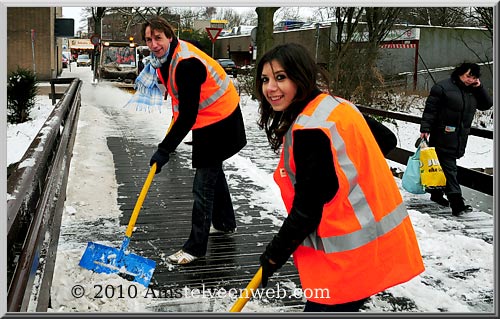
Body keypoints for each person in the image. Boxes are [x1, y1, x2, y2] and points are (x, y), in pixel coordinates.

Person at [255, 43, 424, 312]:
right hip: (371, 245)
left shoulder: (311, 130)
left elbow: (306, 211)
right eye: (265, 79)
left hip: (345, 257)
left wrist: (273, 257)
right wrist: (343, 177)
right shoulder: (336, 106)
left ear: (301, 76)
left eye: (281, 77)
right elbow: (385, 139)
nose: (270, 88)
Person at [126, 16, 246, 265]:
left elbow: (188, 115)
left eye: (158, 37)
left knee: (203, 185)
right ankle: (224, 223)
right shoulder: (167, 58)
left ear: (169, 36)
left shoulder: (186, 64)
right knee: (213, 172)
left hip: (221, 120)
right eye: (149, 39)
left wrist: (164, 150)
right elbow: (183, 100)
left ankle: (195, 248)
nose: (154, 44)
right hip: (211, 117)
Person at [420, 62, 492, 217]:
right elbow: (430, 110)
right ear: (459, 73)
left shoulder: (472, 91)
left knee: (442, 167)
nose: (470, 80)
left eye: (474, 77)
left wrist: (478, 87)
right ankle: (457, 203)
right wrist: (425, 129)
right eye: (468, 76)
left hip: (459, 136)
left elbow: (486, 105)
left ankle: (436, 194)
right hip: (442, 134)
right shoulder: (442, 88)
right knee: (450, 168)